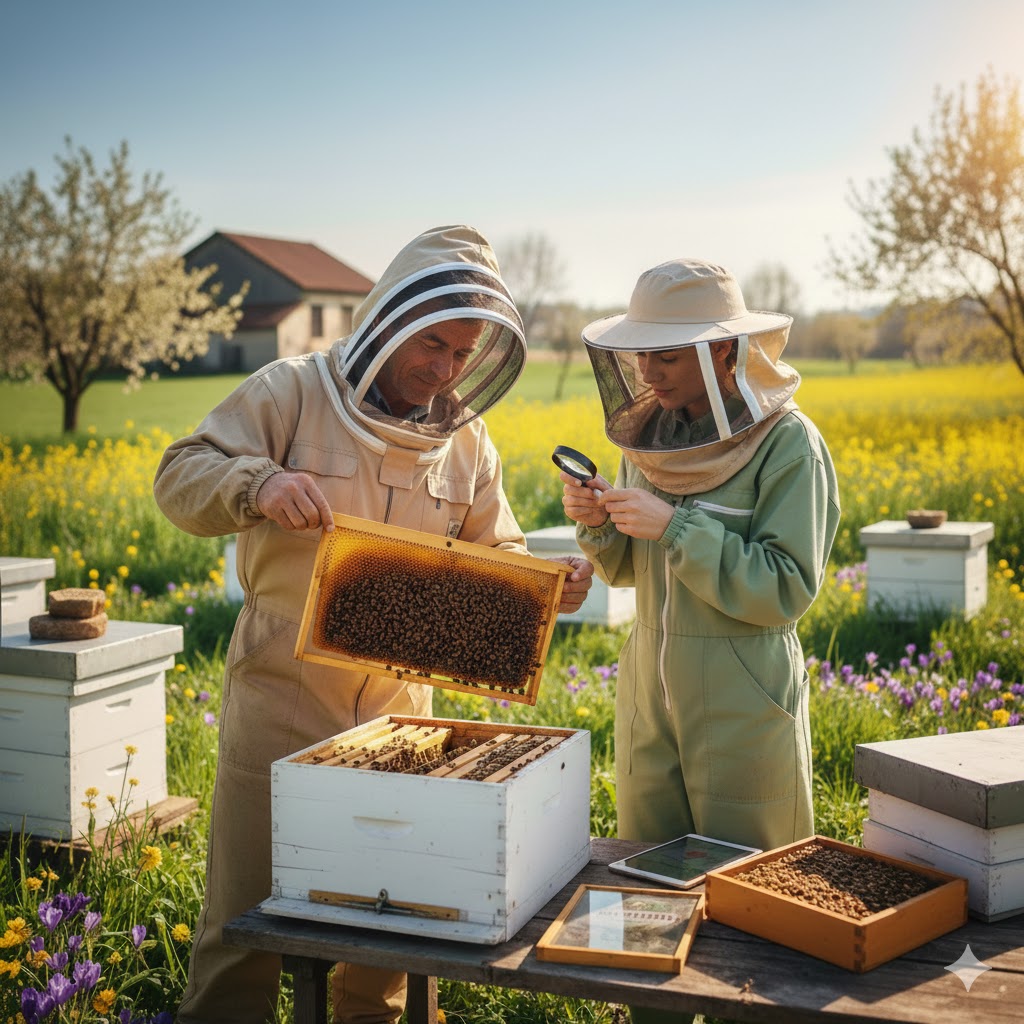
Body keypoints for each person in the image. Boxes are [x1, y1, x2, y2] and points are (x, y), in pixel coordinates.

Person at [153, 224, 593, 1024]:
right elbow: (181, 474)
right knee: (241, 928)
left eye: (462, 353)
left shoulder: (468, 443)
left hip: (401, 723)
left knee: (384, 930)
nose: (445, 368)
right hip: (279, 704)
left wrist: (550, 583)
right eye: (432, 344)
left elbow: (499, 549)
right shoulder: (289, 390)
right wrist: (258, 483)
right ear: (388, 321)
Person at [560, 257, 840, 1024]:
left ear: (725, 351)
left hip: (744, 702)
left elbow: (786, 587)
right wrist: (595, 520)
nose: (648, 371)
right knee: (648, 906)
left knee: (756, 914)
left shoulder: (790, 445)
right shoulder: (648, 437)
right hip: (650, 702)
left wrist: (678, 526)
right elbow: (627, 568)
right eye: (643, 352)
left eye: (669, 353)